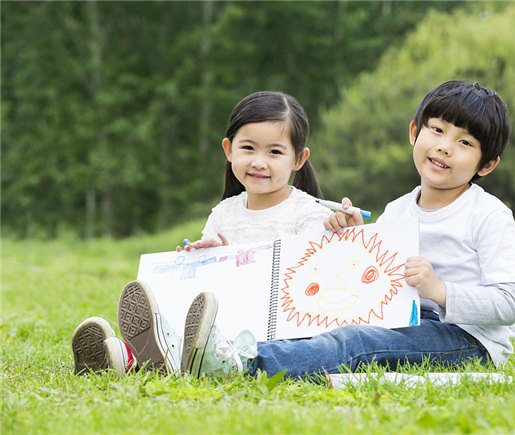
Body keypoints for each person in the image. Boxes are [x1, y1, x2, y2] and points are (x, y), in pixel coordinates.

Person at [184, 80, 515, 379]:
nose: (445, 146)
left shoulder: (488, 215)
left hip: (465, 339)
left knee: (356, 342)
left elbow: (509, 302)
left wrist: (440, 291)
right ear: (414, 133)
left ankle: (244, 363)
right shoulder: (397, 210)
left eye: (465, 142)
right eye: (436, 130)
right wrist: (352, 241)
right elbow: (374, 286)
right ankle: (202, 350)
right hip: (404, 321)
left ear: (487, 164)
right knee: (333, 327)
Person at [72, 91, 332, 375]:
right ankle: (127, 356)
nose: (259, 162)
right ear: (229, 149)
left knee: (204, 341)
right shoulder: (224, 213)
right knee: (192, 324)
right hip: (223, 322)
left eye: (275, 152)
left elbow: (309, 284)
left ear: (298, 158)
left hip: (274, 333)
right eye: (248, 148)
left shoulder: (310, 214)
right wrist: (202, 260)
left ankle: (147, 358)